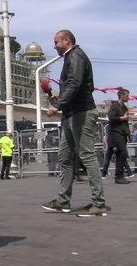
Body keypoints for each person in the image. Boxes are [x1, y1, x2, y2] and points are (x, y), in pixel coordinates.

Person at [42, 29, 107, 217]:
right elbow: (76, 85)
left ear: (67, 41)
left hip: (82, 113)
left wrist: (59, 104)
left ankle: (99, 203)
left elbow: (76, 83)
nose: (54, 46)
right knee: (64, 157)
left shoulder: (76, 55)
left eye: (56, 42)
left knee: (87, 156)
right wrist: (58, 99)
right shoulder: (71, 58)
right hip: (71, 114)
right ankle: (63, 201)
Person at [105, 89, 133, 184]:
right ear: (121, 95)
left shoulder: (124, 107)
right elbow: (111, 117)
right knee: (123, 152)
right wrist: (122, 118)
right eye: (126, 95)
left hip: (123, 133)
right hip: (116, 133)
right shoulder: (114, 105)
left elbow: (125, 122)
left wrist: (128, 133)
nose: (128, 97)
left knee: (121, 154)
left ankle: (119, 176)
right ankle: (118, 176)